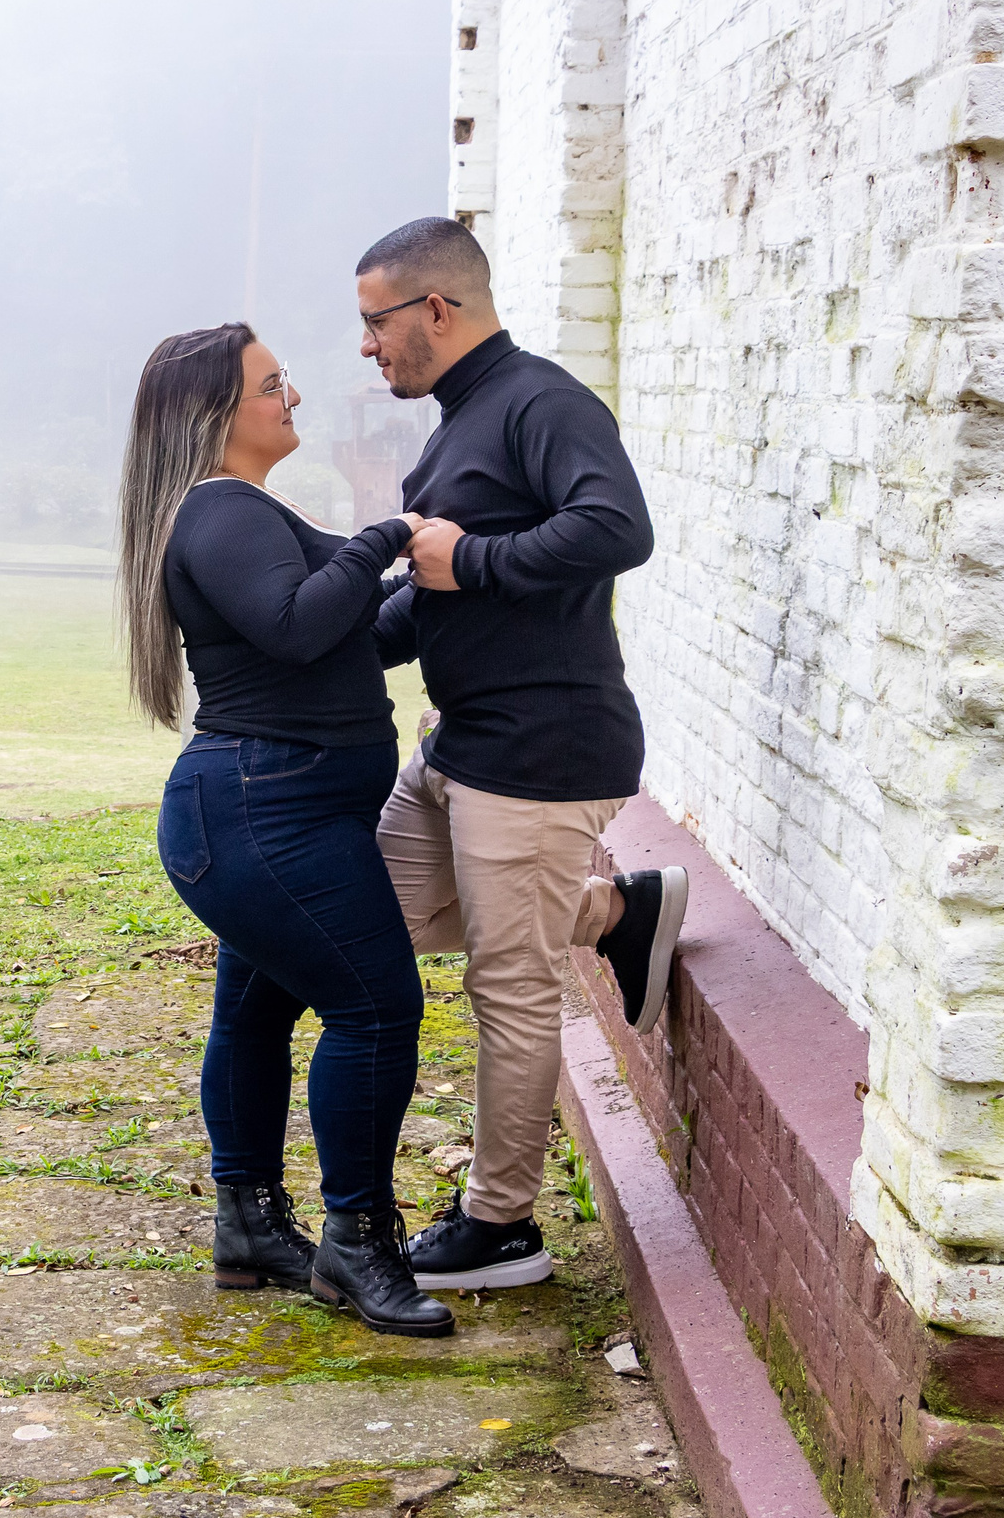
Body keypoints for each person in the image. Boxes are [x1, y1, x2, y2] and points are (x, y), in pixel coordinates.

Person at [356, 218, 690, 1292]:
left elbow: (617, 529)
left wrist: (475, 561)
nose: (367, 346)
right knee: (374, 922)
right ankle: (607, 913)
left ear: (436, 310)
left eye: (376, 322)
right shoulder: (459, 424)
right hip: (461, 744)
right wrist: (310, 637)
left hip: (541, 752)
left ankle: (501, 1225)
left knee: (510, 988)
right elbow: (431, 592)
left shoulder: (542, 403)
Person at [118, 322, 455, 1339]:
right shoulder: (219, 513)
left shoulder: (241, 512)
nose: (294, 396)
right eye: (272, 385)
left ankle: (251, 1225)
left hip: (270, 808)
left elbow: (351, 638)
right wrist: (388, 535)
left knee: (260, 1014)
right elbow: (303, 622)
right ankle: (356, 1246)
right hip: (265, 812)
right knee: (377, 1011)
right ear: (215, 414)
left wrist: (447, 581)